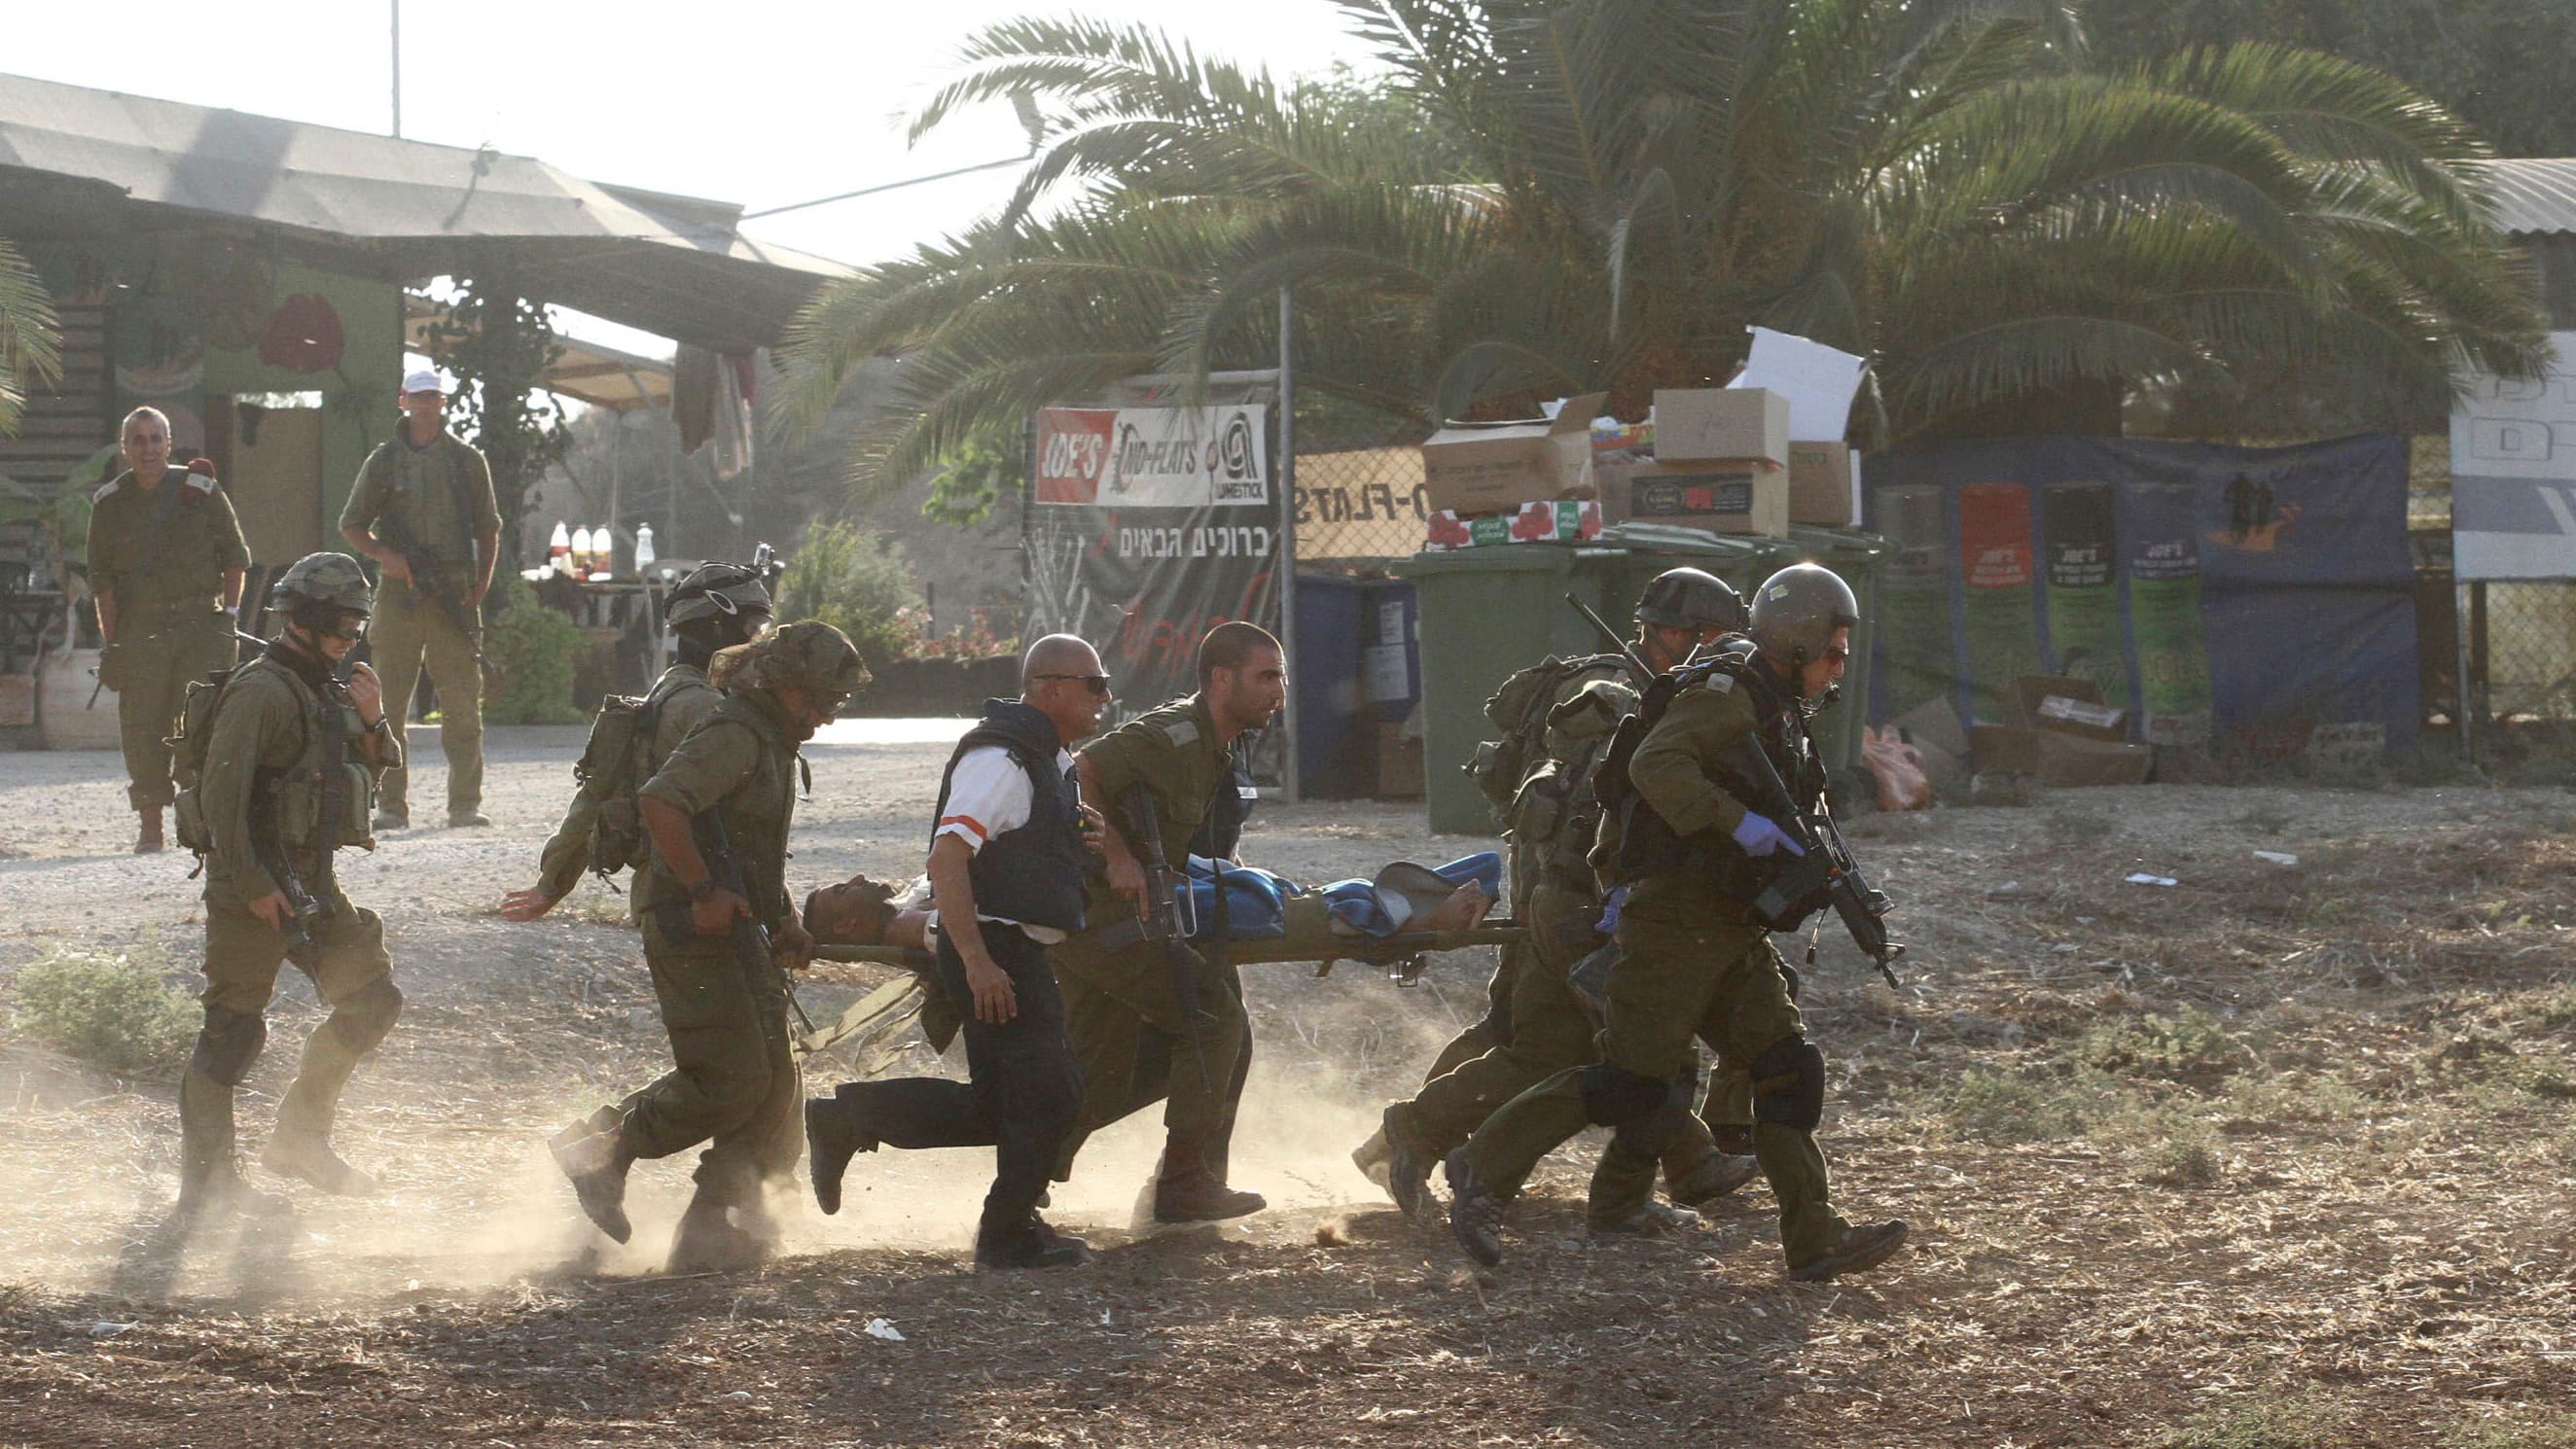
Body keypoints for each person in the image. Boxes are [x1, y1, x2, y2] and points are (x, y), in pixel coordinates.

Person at [1446, 564, 1909, 1283]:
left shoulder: (1776, 705)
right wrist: (1740, 823)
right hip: (1674, 923)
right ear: (1792, 644)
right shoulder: (1728, 698)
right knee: (1631, 1082)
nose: (1839, 665)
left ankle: (1814, 1238)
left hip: (1728, 926)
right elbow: (1656, 765)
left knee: (1788, 1071)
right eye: (1833, 650)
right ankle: (1483, 1167)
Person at [1357, 568, 1762, 1236]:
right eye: (1703, 635)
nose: (1712, 650)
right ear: (1663, 633)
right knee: (1645, 1037)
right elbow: (1603, 816)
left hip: (1558, 892)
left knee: (1540, 1047)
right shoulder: (1620, 701)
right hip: (1579, 897)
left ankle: (1407, 1134)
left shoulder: (1649, 695)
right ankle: (1679, 1167)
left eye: (1720, 638)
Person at [550, 620, 863, 1272]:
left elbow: (747, 852)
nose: (826, 719)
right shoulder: (736, 734)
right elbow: (661, 802)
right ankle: (600, 1146)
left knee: (776, 1085)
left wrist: (784, 918)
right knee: (734, 1080)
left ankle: (714, 1234)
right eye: (820, 703)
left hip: (732, 929)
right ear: (784, 687)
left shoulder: (769, 738)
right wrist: (701, 891)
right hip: (690, 928)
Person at [805, 635, 1111, 1269]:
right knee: (1050, 1096)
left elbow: (1020, 855)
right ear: (1052, 688)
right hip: (993, 946)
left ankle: (852, 1118)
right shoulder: (1002, 758)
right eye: (1096, 685)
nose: (1106, 698)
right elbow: (948, 858)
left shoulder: (1045, 759)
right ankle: (1006, 1235)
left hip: (1009, 945)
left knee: (1006, 1104)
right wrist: (976, 961)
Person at [182, 553, 403, 1222]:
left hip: (313, 885)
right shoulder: (261, 691)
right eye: (338, 626)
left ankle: (300, 1139)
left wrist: (376, 721)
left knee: (371, 1002)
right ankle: (208, 1188)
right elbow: (221, 797)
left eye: (355, 628)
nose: (348, 641)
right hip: (252, 889)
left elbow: (370, 783)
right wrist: (250, 883)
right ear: (303, 621)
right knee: (232, 1034)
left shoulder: (323, 691)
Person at [1046, 621, 1285, 1223]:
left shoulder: (1217, 743)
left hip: (1134, 916)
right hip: (1096, 915)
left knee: (1114, 1063)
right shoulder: (1173, 735)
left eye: (1280, 677)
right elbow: (1078, 772)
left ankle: (1051, 1166)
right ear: (1221, 679)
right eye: (1266, 677)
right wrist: (1118, 854)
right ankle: (1180, 1183)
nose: (1277, 690)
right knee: (1213, 1021)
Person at [502, 562, 775, 922]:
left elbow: (596, 796)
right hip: (702, 901)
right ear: (717, 625)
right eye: (753, 628)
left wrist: (551, 885)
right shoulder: (704, 708)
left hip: (672, 898)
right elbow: (747, 825)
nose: (757, 642)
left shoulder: (667, 693)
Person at [338, 369, 500, 831]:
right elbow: (351, 524)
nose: (426, 405)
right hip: (400, 593)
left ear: (442, 402)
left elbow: (489, 528)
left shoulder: (466, 461)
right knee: (386, 705)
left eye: (433, 397)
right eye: (418, 397)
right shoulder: (384, 461)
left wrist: (480, 586)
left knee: (463, 704)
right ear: (402, 400)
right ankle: (391, 805)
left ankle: (465, 803)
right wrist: (383, 553)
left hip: (452, 590)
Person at [86, 407, 250, 853]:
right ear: (125, 448)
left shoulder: (200, 490)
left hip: (201, 625)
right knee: (143, 725)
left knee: (202, 721)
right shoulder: (110, 503)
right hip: (142, 628)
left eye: (155, 438)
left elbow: (236, 557)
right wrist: (112, 643)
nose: (147, 448)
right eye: (138, 440)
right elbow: (103, 585)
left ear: (169, 442)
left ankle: (201, 819)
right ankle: (151, 824)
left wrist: (230, 617)